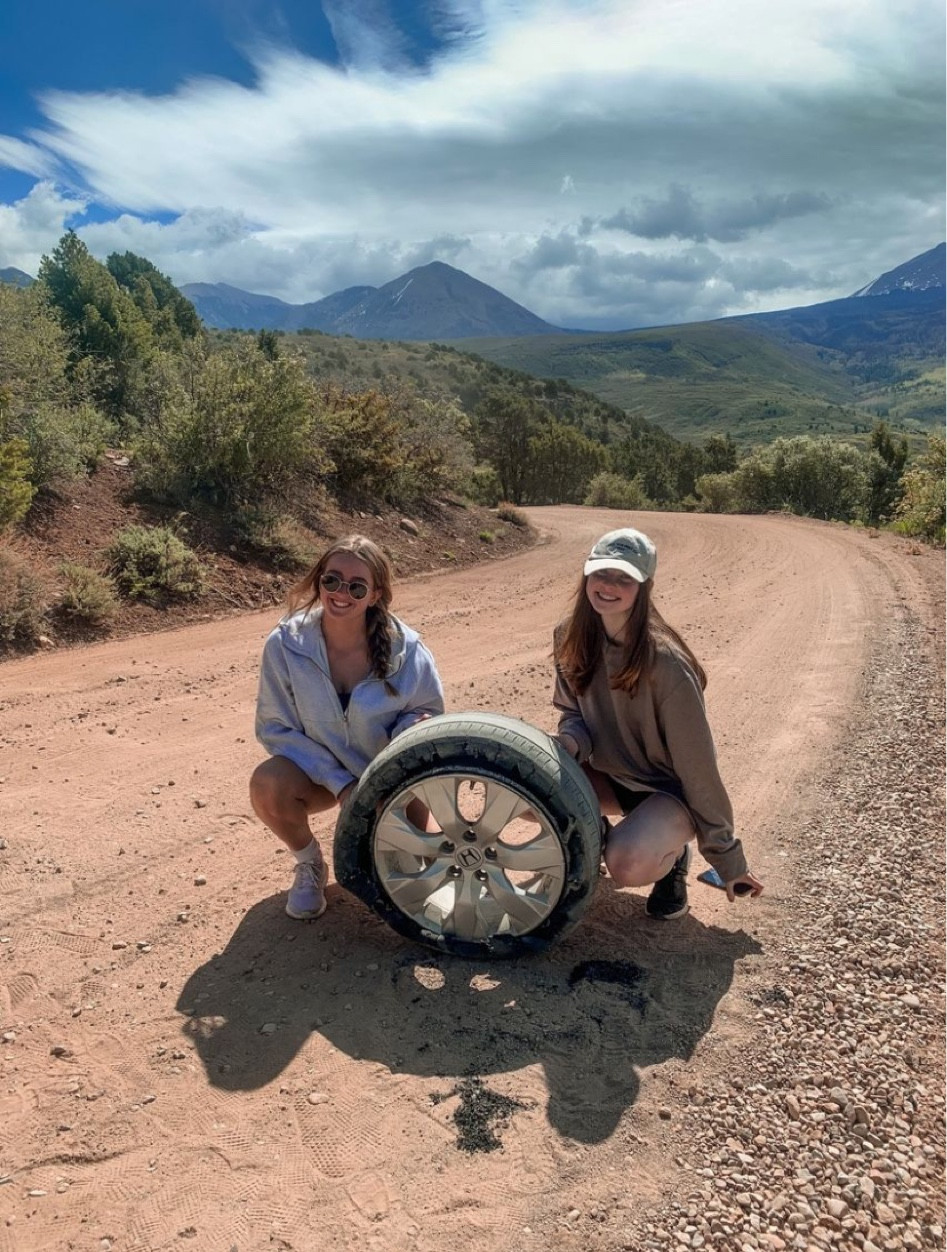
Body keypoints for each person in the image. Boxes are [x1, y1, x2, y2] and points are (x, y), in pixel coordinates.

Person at [553, 526, 763, 920]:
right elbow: (574, 714)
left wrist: (727, 859)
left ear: (643, 586)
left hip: (666, 791)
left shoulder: (666, 664)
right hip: (611, 775)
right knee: (533, 785)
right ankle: (593, 838)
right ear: (586, 575)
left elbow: (698, 768)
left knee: (625, 863)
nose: (609, 585)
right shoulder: (569, 637)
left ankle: (672, 860)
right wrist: (570, 742)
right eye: (601, 573)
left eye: (624, 578)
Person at [250, 534, 445, 920]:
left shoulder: (407, 649)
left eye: (357, 586)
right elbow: (275, 728)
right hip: (323, 779)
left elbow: (429, 712)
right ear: (319, 580)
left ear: (375, 595)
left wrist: (407, 730)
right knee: (267, 784)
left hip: (391, 779)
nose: (342, 593)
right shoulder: (285, 644)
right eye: (332, 580)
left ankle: (417, 854)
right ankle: (310, 864)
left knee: (402, 889)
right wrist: (340, 782)